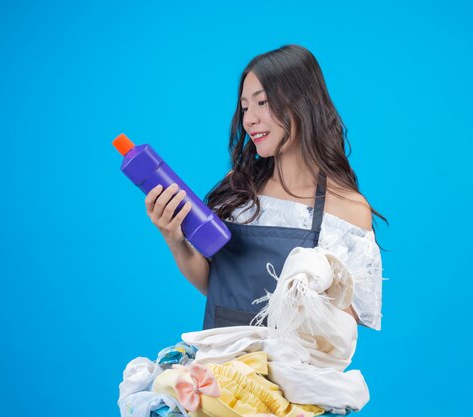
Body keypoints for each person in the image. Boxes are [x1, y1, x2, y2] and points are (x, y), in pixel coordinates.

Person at [144, 44, 386, 331]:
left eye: (262, 102)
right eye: (245, 107)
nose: (249, 120)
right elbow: (215, 284)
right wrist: (174, 238)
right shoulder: (239, 190)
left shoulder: (347, 209)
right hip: (223, 368)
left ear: (303, 102)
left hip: (297, 372)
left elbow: (346, 330)